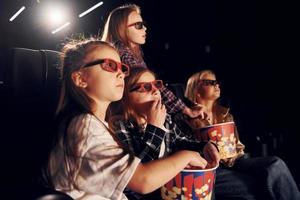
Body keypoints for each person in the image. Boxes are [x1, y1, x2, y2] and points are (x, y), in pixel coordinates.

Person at [45, 38, 209, 200]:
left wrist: (203, 147)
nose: (121, 73)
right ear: (81, 79)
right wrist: (185, 156)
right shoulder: (85, 126)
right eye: (110, 65)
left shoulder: (95, 124)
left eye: (122, 68)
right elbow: (143, 180)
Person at [183, 69, 300, 200]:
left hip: (235, 161)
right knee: (260, 186)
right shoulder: (186, 116)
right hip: (210, 166)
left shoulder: (225, 115)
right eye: (210, 82)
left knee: (275, 164)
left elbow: (236, 145)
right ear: (196, 89)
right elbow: (187, 147)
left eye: (217, 82)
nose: (217, 85)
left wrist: (236, 152)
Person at [109, 67, 220, 199]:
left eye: (156, 85)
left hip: (173, 187)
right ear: (125, 96)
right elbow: (139, 176)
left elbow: (180, 141)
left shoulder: (165, 117)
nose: (155, 90)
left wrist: (205, 146)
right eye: (145, 87)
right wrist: (154, 127)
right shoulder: (120, 126)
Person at [101, 4, 204, 118]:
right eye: (138, 25)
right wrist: (186, 111)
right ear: (121, 28)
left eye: (143, 24)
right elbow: (152, 86)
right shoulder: (122, 52)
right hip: (127, 117)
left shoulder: (128, 52)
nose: (145, 28)